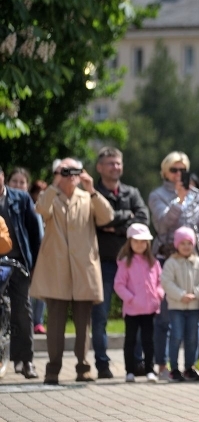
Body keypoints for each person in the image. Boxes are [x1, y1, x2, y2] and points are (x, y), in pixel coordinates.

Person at [30, 158, 114, 385]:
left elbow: (107, 217)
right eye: (64, 171)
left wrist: (91, 189)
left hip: (82, 269)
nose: (70, 176)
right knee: (55, 324)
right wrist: (54, 184)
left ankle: (83, 367)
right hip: (57, 269)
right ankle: (52, 370)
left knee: (83, 324)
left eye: (74, 171)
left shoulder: (87, 197)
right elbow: (40, 210)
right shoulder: (51, 196)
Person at [148, 151, 199, 379]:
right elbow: (162, 224)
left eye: (182, 170)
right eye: (173, 170)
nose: (178, 174)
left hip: (193, 261)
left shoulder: (196, 195)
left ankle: (191, 364)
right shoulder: (157, 195)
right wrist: (179, 200)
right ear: (165, 172)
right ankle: (163, 364)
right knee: (166, 317)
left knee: (194, 316)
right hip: (167, 258)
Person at [92, 146, 150, 379]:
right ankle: (102, 365)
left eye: (118, 163)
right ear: (99, 167)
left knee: (137, 313)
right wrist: (126, 219)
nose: (115, 167)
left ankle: (136, 363)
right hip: (103, 263)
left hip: (131, 263)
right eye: (110, 163)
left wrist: (113, 225)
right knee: (100, 317)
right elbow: (95, 222)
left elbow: (143, 220)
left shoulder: (132, 193)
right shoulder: (92, 194)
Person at [0, 165, 42, 379]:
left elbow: (35, 233)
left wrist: (34, 265)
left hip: (18, 264)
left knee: (22, 311)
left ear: (2, 177)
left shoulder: (22, 199)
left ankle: (26, 361)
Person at [113, 223, 163, 384]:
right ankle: (130, 371)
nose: (140, 245)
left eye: (143, 242)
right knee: (131, 340)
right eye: (136, 241)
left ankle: (150, 370)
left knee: (149, 341)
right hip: (132, 310)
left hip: (149, 309)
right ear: (130, 242)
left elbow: (160, 281)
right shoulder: (125, 262)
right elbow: (119, 285)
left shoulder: (153, 262)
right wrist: (130, 298)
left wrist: (158, 295)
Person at [161, 226, 199, 382]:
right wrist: (181, 295)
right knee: (176, 336)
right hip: (177, 307)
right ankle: (174, 368)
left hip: (194, 308)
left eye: (189, 243)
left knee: (193, 338)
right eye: (183, 243)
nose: (186, 246)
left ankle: (190, 367)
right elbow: (166, 282)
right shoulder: (171, 263)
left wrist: (196, 294)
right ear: (177, 245)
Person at [7, 168, 46, 336]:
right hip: (5, 260)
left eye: (22, 182)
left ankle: (36, 323)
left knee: (26, 302)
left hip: (24, 261)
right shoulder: (4, 203)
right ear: (7, 183)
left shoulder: (30, 206)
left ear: (27, 186)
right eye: (14, 181)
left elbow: (37, 237)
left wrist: (35, 263)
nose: (18, 185)